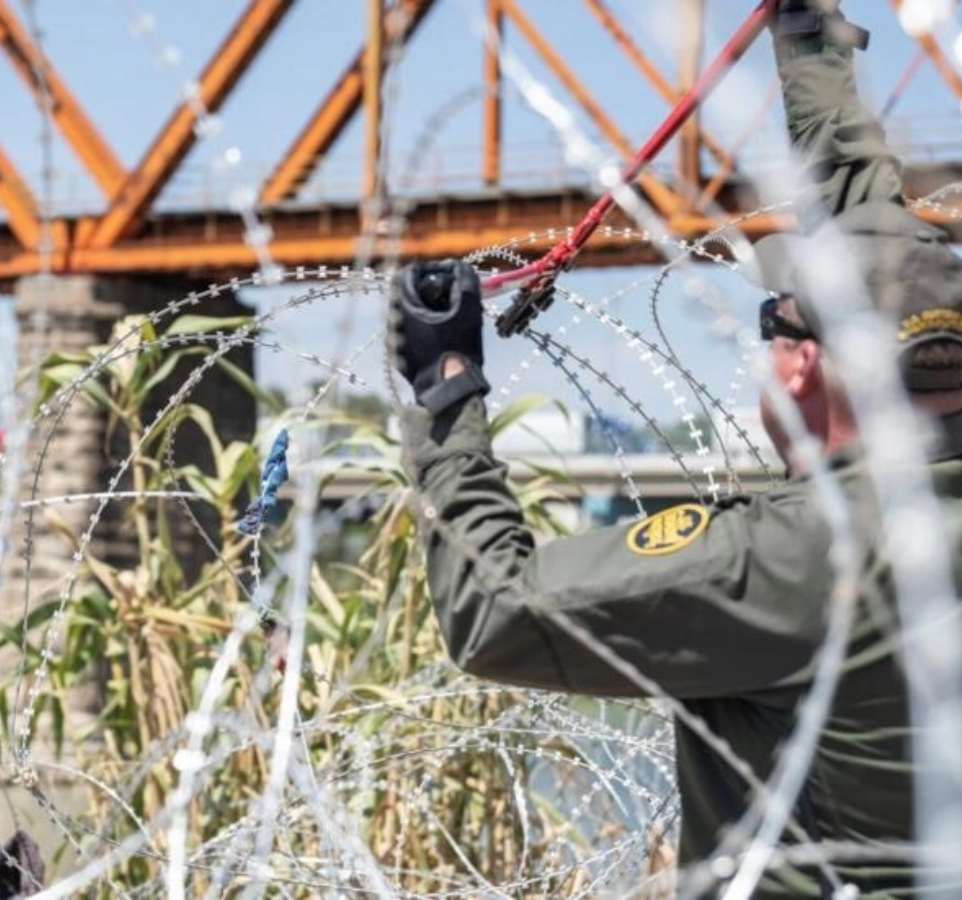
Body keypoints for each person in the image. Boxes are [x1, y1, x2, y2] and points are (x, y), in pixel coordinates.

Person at [390, 2, 962, 896]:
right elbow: (881, 241)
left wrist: (447, 389)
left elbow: (495, 610)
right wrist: (807, 44)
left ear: (802, 364)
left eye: (771, 321)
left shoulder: (802, 558)